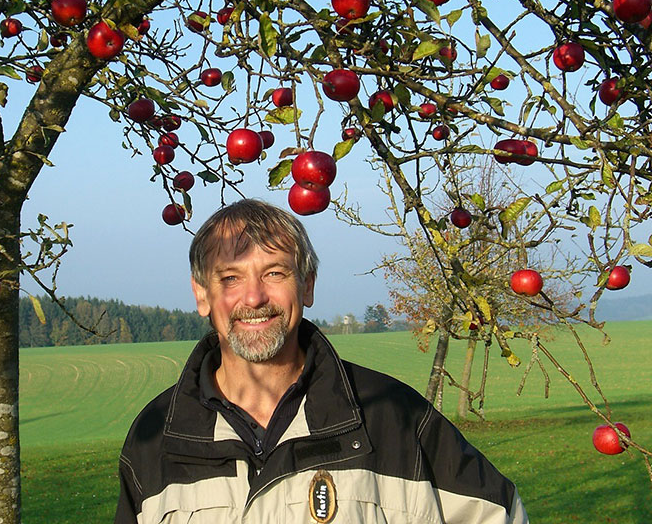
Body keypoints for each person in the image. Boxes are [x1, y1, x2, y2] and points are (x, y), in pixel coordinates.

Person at [115, 199, 529, 524]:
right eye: (231, 278)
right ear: (201, 294)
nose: (254, 297)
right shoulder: (156, 439)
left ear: (307, 285)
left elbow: (499, 514)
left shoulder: (394, 418)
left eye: (275, 273)